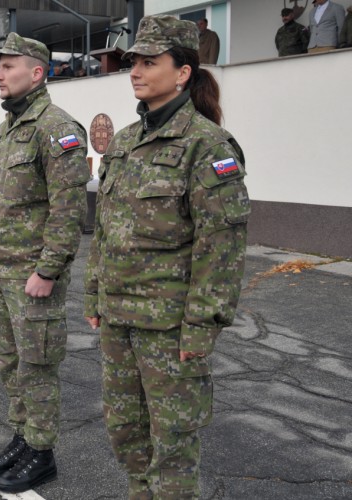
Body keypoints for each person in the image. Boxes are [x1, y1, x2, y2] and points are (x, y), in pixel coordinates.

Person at [83, 16, 250, 498]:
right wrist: (93, 294)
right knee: (126, 435)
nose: (135, 71)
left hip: (170, 327)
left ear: (182, 72)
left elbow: (220, 246)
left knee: (172, 446)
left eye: (149, 62)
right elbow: (105, 230)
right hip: (119, 319)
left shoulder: (207, 145)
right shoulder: (125, 141)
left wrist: (202, 327)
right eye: (133, 61)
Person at [0, 33, 88, 493]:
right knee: (8, 363)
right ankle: (23, 437)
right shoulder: (7, 129)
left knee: (36, 367)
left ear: (36, 73)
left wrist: (47, 270)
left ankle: (41, 452)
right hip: (2, 269)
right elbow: (4, 206)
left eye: (7, 67)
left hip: (32, 277)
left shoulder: (56, 128)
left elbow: (69, 210)